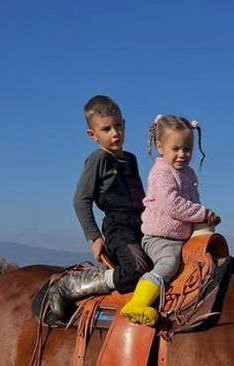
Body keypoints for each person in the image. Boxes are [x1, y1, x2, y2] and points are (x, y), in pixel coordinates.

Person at [44, 95, 153, 323]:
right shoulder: (99, 159)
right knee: (137, 269)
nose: (115, 133)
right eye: (106, 129)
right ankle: (79, 283)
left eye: (118, 126)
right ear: (92, 135)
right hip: (118, 227)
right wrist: (95, 236)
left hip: (141, 225)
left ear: (125, 124)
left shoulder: (131, 159)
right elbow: (80, 199)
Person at [120, 115, 221, 325]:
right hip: (160, 237)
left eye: (187, 149)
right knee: (169, 263)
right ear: (160, 147)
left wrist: (205, 219)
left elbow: (193, 202)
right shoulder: (161, 172)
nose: (182, 155)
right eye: (175, 149)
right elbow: (172, 205)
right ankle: (137, 303)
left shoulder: (189, 174)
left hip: (181, 235)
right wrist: (203, 213)